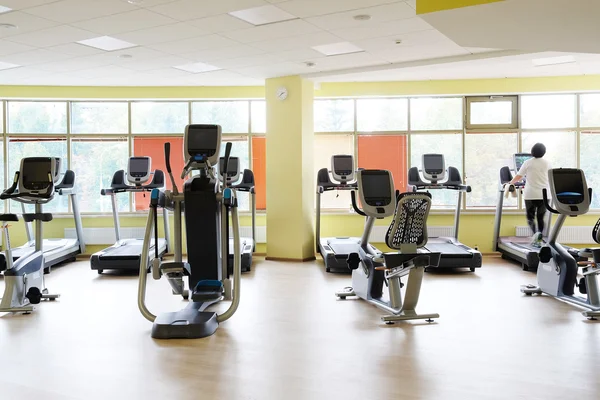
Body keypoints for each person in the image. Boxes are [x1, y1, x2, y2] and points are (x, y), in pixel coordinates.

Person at [510, 143, 551, 247]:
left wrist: (510, 183)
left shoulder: (527, 162)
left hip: (531, 194)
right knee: (541, 217)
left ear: (532, 152)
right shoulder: (547, 163)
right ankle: (539, 237)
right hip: (545, 195)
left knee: (530, 217)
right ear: (544, 152)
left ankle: (535, 236)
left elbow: (519, 176)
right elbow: (551, 177)